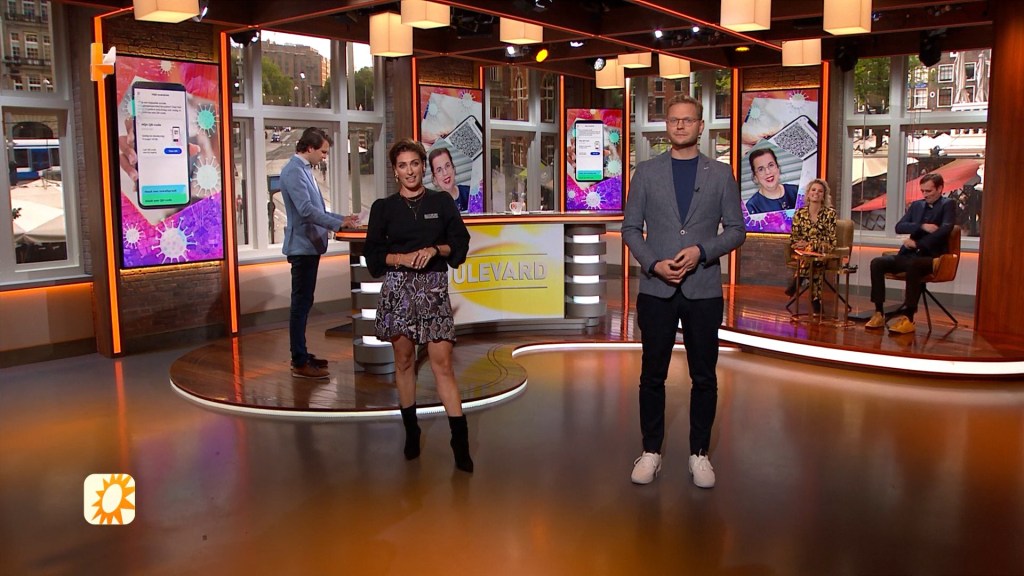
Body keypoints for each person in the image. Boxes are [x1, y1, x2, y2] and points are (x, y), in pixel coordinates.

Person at [622, 95, 746, 489]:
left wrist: (701, 252)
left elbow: (737, 230)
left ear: (700, 126)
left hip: (703, 289)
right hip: (656, 288)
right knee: (651, 376)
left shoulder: (720, 173)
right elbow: (630, 229)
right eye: (674, 120)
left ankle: (699, 453)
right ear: (666, 126)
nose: (680, 126)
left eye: (687, 120)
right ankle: (651, 451)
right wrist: (653, 264)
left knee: (704, 377)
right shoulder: (645, 172)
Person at [363, 138, 473, 472]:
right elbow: (373, 256)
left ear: (423, 167)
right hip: (398, 289)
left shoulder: (441, 201)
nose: (409, 171)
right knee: (404, 362)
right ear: (394, 171)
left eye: (414, 163)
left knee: (443, 365)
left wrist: (435, 249)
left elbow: (459, 243)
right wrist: (402, 258)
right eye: (402, 165)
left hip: (434, 288)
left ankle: (460, 442)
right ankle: (411, 431)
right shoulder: (383, 208)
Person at [280, 127, 345, 379]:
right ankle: (299, 360)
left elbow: (319, 210)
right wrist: (337, 225)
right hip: (302, 248)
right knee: (300, 305)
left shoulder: (305, 170)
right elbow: (306, 210)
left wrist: (343, 219)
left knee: (305, 302)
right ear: (309, 148)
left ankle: (302, 354)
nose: (324, 157)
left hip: (310, 247)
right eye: (323, 152)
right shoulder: (293, 171)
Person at [866, 173, 955, 334]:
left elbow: (944, 231)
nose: (925, 195)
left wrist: (918, 244)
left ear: (940, 189)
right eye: (923, 191)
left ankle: (908, 317)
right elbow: (899, 227)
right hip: (909, 254)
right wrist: (922, 226)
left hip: (932, 257)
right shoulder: (916, 205)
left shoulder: (947, 204)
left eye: (929, 191)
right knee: (877, 263)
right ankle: (879, 312)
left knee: (914, 266)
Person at [787, 178, 837, 314]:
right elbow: (794, 237)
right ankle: (816, 301)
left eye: (820, 191)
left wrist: (810, 244)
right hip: (804, 252)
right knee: (813, 260)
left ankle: (798, 280)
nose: (816, 193)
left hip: (823, 251)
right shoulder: (799, 213)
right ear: (808, 194)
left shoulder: (830, 214)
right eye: (813, 190)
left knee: (815, 258)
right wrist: (801, 244)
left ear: (824, 196)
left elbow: (831, 239)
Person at [745, 147, 799, 214]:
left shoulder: (796, 192)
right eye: (761, 169)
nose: (768, 172)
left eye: (771, 165)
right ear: (755, 177)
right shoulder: (752, 207)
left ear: (778, 168)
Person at [428, 146, 470, 212]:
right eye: (439, 170)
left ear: (453, 168)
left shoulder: (469, 194)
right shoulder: (432, 206)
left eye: (447, 166)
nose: (445, 173)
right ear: (434, 178)